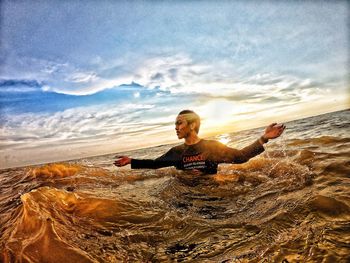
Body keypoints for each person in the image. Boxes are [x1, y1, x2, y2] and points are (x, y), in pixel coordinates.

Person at [114, 110, 285, 175]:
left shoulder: (212, 147)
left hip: (210, 192)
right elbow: (154, 164)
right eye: (175, 124)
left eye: (179, 123)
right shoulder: (176, 152)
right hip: (186, 195)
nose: (176, 127)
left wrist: (263, 138)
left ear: (192, 124)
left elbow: (240, 157)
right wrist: (131, 161)